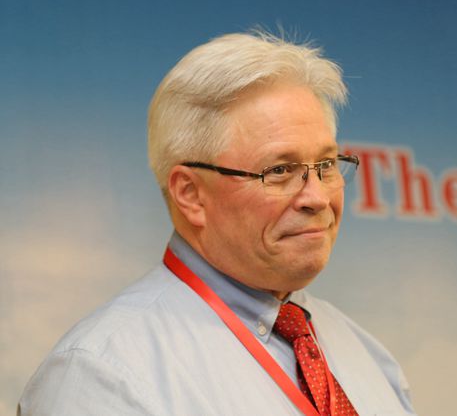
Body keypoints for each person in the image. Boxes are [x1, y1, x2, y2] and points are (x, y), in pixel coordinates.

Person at [19, 31, 417, 415]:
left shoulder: (365, 355)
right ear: (191, 194)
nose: (317, 198)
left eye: (326, 165)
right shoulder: (102, 376)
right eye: (280, 170)